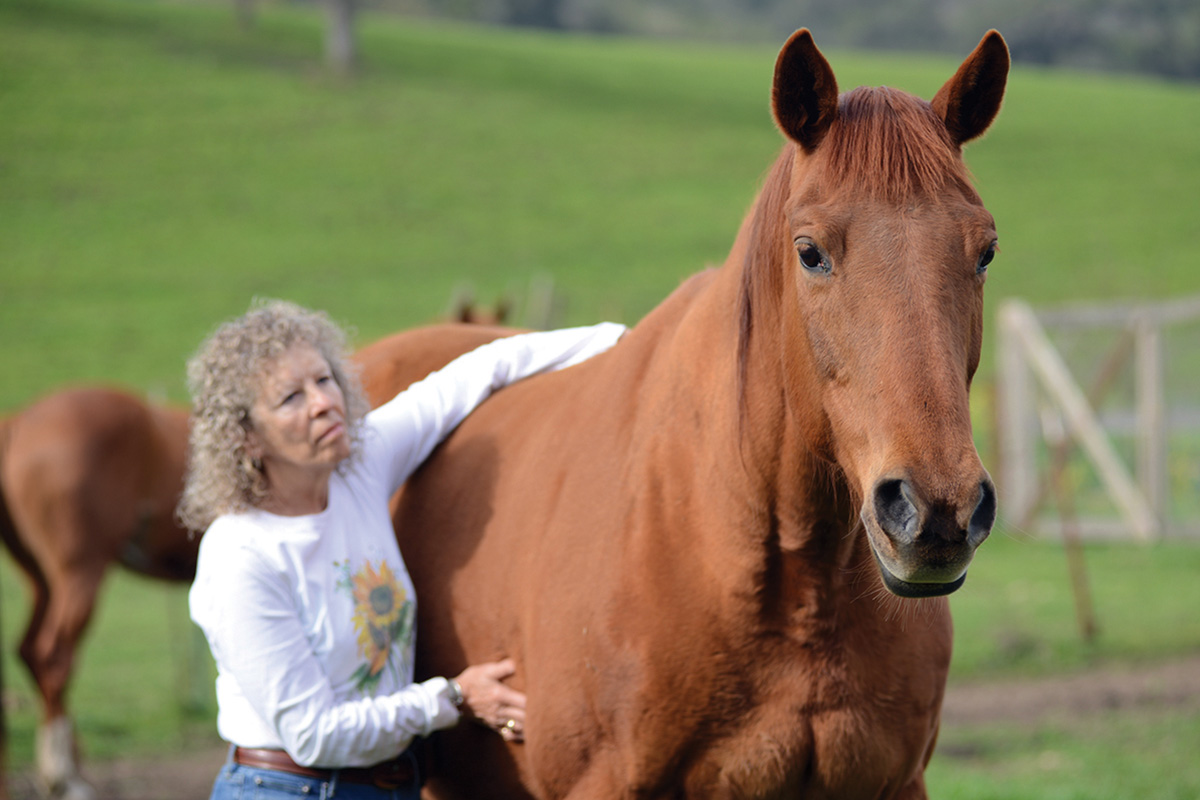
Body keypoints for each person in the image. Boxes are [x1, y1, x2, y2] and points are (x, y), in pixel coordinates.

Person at [179, 299, 625, 799]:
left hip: (390, 785)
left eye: (324, 380)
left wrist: (629, 343)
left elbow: (482, 369)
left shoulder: (358, 468)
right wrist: (453, 697)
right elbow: (314, 735)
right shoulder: (240, 554)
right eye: (290, 398)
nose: (323, 402)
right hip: (288, 789)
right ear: (247, 440)